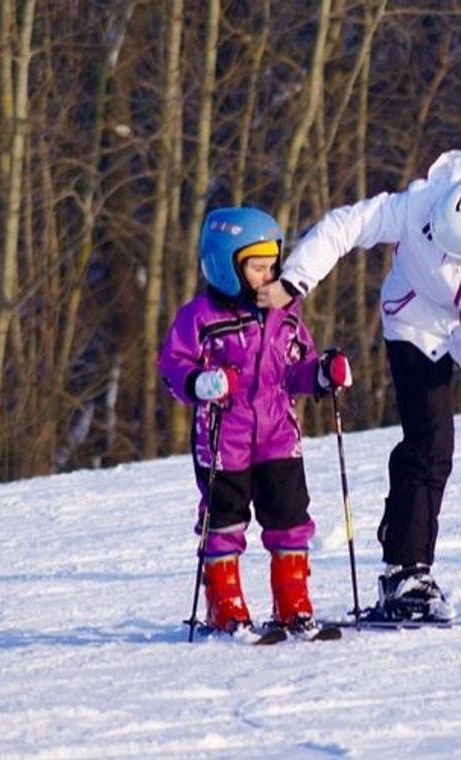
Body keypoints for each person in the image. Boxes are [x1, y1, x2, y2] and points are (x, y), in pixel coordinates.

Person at [256, 150, 461, 622]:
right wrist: (295, 280)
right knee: (430, 443)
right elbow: (345, 226)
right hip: (416, 321)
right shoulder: (420, 205)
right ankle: (405, 573)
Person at [159, 206, 352, 633]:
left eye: (272, 266)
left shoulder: (284, 314)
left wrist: (322, 373)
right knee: (225, 520)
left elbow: (294, 369)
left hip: (278, 436)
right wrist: (199, 382)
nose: (269, 276)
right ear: (225, 267)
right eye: (257, 267)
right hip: (223, 441)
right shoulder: (200, 318)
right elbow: (173, 367)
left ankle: (293, 603)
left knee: (289, 516)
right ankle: (225, 606)